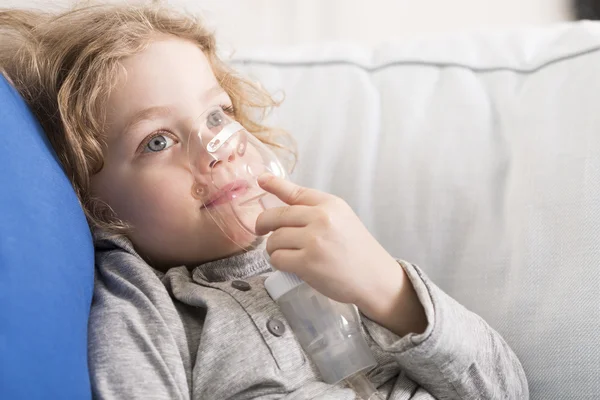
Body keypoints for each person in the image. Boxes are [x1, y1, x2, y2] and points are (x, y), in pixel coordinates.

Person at [0, 3, 528, 399]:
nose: (216, 151)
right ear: (92, 201)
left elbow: (505, 389)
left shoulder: (334, 258)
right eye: (157, 141)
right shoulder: (149, 309)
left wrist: (389, 289)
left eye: (216, 116)